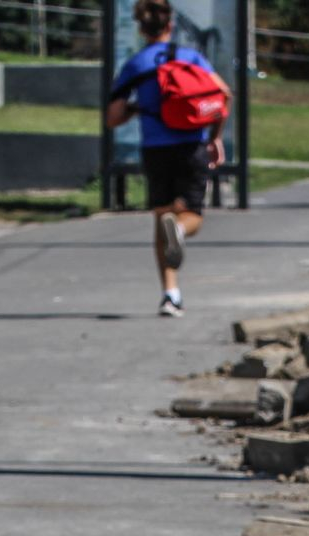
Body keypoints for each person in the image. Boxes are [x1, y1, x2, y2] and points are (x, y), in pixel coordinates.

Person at [106, 0, 232, 317]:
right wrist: (215, 137)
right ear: (170, 25)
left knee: (162, 219)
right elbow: (223, 95)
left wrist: (139, 107)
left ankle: (170, 293)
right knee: (192, 217)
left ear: (140, 28)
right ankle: (181, 230)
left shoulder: (137, 64)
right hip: (192, 146)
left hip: (156, 149)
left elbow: (113, 117)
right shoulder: (193, 58)